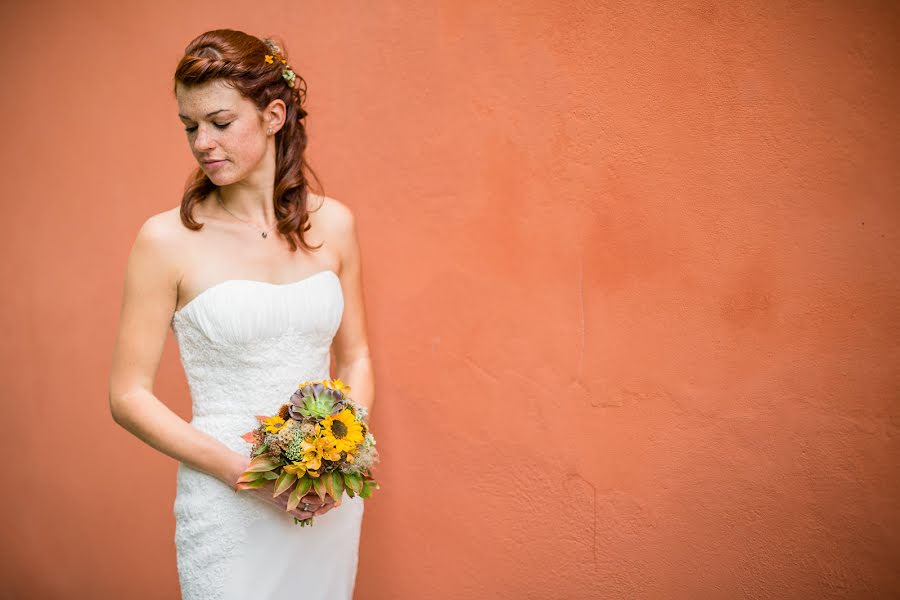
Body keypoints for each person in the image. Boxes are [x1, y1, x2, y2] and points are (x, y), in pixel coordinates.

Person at [107, 29, 374, 599]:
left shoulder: (336, 226)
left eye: (220, 123)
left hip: (323, 503)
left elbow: (355, 357)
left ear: (274, 115)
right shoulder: (165, 241)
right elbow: (128, 396)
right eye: (189, 126)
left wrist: (338, 456)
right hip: (227, 501)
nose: (202, 142)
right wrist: (244, 475)